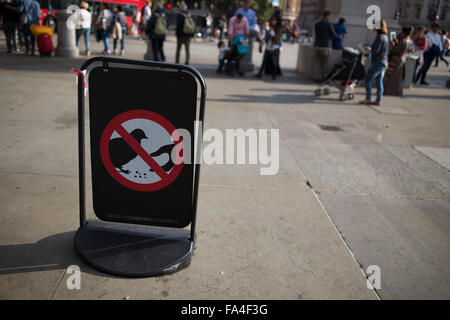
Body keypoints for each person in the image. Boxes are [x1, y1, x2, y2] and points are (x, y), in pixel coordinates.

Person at [359, 19, 389, 106]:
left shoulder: (379, 37)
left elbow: (376, 51)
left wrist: (368, 49)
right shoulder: (385, 37)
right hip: (384, 62)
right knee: (379, 81)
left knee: (368, 79)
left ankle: (368, 98)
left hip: (378, 62)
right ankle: (378, 100)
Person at [383, 26, 414, 96]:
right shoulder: (409, 41)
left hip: (396, 59)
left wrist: (393, 44)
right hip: (402, 59)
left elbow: (395, 49)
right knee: (398, 77)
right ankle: (396, 91)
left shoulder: (403, 41)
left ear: (403, 33)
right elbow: (409, 49)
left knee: (391, 75)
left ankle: (388, 90)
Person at [255, 13, 282, 80]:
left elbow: (276, 38)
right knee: (264, 62)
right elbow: (266, 38)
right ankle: (260, 73)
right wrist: (261, 44)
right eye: (272, 20)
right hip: (268, 48)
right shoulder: (270, 28)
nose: (273, 22)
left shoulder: (278, 29)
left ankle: (274, 75)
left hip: (275, 48)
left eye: (274, 20)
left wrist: (272, 32)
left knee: (274, 63)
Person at [314, 11, 337, 79]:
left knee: (317, 63)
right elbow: (334, 34)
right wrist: (339, 36)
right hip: (325, 46)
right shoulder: (328, 24)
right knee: (325, 63)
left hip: (317, 45)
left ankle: (316, 77)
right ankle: (324, 77)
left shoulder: (317, 24)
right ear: (327, 16)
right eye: (329, 16)